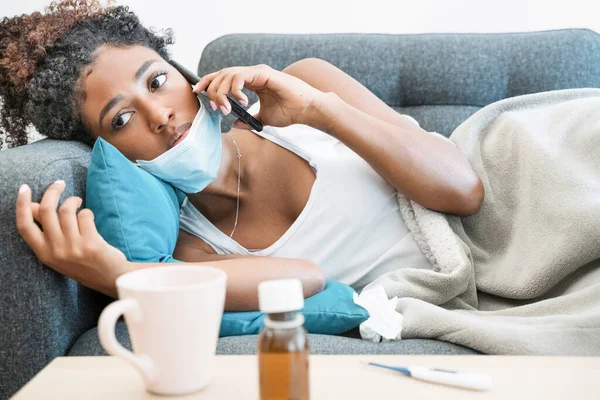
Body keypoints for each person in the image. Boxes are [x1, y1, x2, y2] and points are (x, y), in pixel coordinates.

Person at [2, 0, 483, 311]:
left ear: (184, 73)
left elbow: (463, 190)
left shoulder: (309, 85)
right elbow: (304, 278)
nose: (160, 115)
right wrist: (121, 275)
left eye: (156, 81)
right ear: (105, 151)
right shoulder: (193, 246)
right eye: (121, 120)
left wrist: (319, 111)